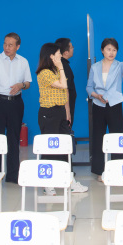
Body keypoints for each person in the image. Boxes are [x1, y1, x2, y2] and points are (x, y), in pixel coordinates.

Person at [36, 43, 88, 195]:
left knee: (65, 147)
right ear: (51, 56)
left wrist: (67, 112)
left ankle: (69, 181)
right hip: (48, 113)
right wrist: (60, 66)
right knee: (49, 149)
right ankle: (47, 183)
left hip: (60, 112)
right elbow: (64, 85)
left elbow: (65, 92)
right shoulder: (44, 73)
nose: (60, 55)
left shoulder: (55, 70)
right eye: (58, 53)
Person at [0, 32, 32, 186]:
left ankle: (13, 176)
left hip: (15, 103)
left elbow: (28, 83)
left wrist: (21, 85)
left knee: (13, 139)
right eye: (5, 44)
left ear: (18, 46)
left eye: (10, 45)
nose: (7, 47)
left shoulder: (23, 62)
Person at [87, 38, 123, 180]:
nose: (111, 52)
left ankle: (117, 169)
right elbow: (89, 87)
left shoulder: (120, 65)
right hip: (98, 104)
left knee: (117, 137)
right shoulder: (95, 67)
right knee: (98, 137)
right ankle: (99, 171)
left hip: (115, 104)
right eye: (108, 49)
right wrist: (96, 95)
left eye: (114, 50)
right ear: (102, 50)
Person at [55, 38, 76, 126]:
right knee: (65, 130)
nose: (73, 48)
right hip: (63, 108)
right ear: (66, 52)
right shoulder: (63, 66)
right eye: (71, 47)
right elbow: (65, 89)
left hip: (63, 107)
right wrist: (67, 111)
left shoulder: (62, 64)